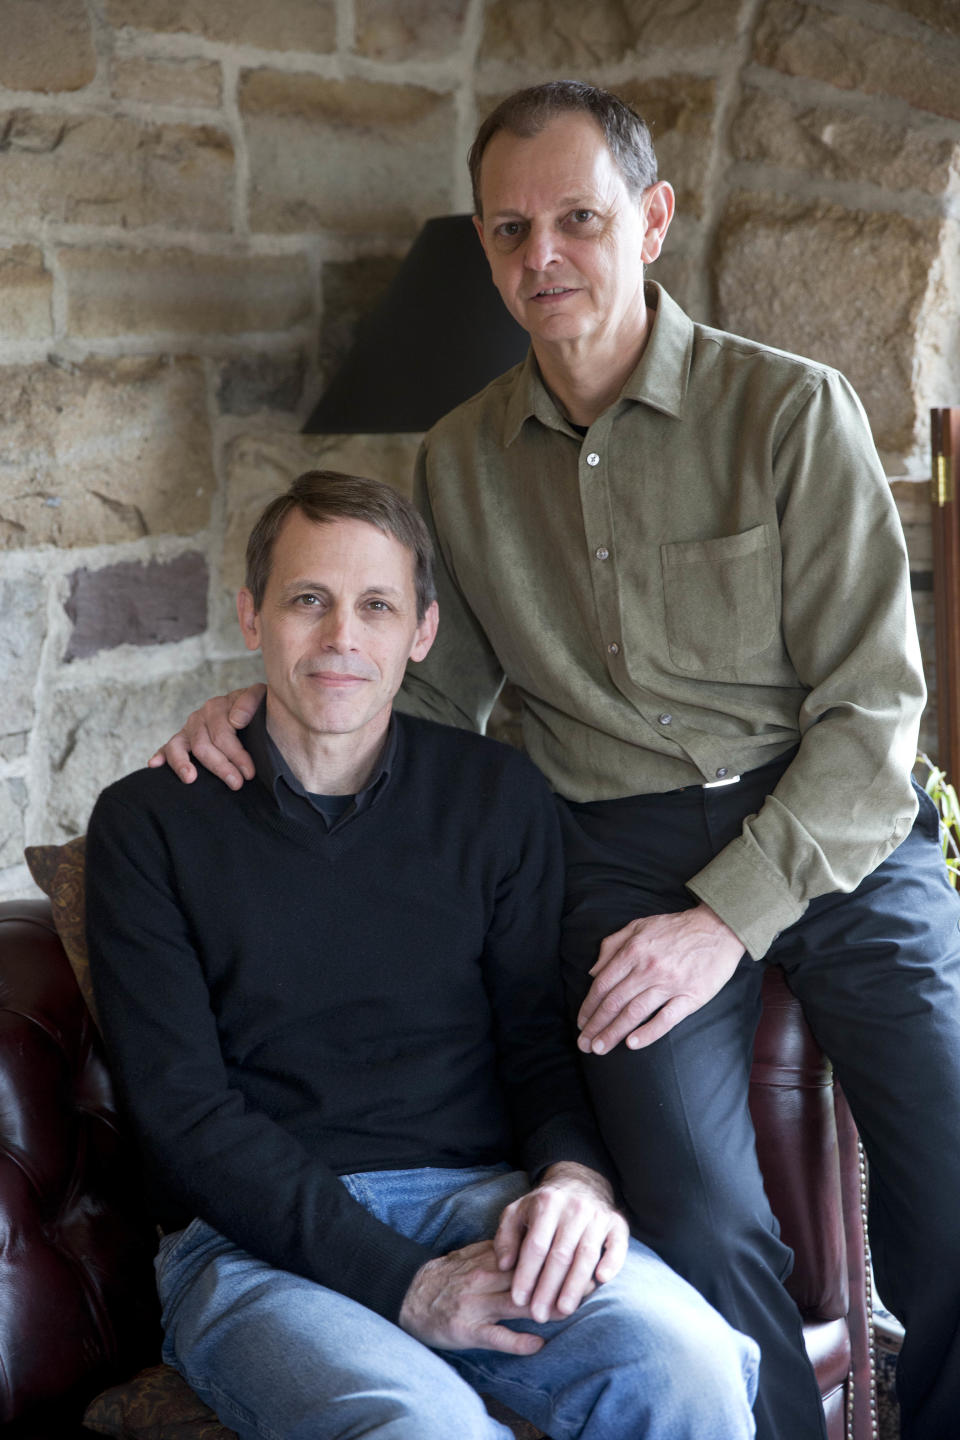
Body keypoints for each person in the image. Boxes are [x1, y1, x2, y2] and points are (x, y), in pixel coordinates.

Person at [152, 83, 960, 1440]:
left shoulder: (790, 413)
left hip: (836, 827)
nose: (544, 258)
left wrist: (724, 920)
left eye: (578, 220)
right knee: (694, 1206)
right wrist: (260, 711)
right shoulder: (457, 461)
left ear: (651, 222)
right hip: (613, 854)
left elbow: (876, 713)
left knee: (950, 1147)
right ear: (484, 244)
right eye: (512, 228)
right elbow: (428, 688)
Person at [86, 470, 758, 1440]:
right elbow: (182, 1114)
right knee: (422, 1427)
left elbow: (537, 1042)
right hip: (251, 1248)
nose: (341, 639)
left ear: (423, 633)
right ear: (252, 617)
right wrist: (405, 1284)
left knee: (686, 1367)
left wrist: (575, 1178)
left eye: (376, 607)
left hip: (488, 1208)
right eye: (307, 601)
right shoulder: (149, 826)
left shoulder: (496, 798)